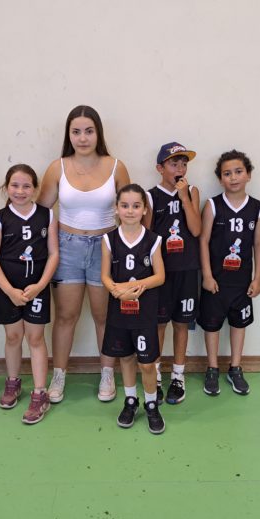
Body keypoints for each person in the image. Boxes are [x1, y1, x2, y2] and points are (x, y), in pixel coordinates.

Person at [38, 105, 130, 403]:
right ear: (69, 135)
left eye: (89, 131)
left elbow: (131, 209)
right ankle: (58, 375)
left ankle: (107, 373)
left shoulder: (116, 167)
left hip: (106, 248)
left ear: (98, 133)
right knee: (66, 316)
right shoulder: (57, 168)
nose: (82, 138)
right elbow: (39, 213)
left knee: (104, 316)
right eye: (76, 132)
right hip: (67, 248)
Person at [0, 164, 59, 424]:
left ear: (35, 189)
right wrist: (9, 290)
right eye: (15, 185)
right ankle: (13, 381)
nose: (20, 191)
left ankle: (40, 393)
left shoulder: (47, 215)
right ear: (6, 188)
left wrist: (41, 285)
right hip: (8, 289)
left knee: (36, 338)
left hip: (36, 288)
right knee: (13, 336)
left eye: (27, 186)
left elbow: (54, 253)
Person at [199, 150, 260, 396]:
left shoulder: (257, 208)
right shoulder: (212, 205)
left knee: (239, 324)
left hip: (242, 282)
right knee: (212, 326)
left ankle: (235, 367)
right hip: (216, 281)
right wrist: (207, 275)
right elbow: (203, 241)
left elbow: (259, 244)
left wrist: (258, 278)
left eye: (238, 172)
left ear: (248, 175)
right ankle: (212, 368)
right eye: (227, 173)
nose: (233, 177)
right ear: (220, 179)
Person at [101, 184, 166, 434]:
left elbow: (159, 276)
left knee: (147, 363)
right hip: (119, 310)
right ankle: (130, 400)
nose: (130, 211)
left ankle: (151, 404)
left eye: (136, 206)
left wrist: (133, 286)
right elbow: (105, 276)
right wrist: (116, 291)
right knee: (126, 358)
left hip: (144, 312)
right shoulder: (109, 239)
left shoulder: (153, 240)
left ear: (144, 209)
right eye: (125, 205)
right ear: (117, 208)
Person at [143, 142, 201, 405]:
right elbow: (146, 237)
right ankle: (155, 375)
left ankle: (178, 375)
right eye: (174, 164)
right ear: (160, 168)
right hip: (161, 272)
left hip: (187, 268)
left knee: (181, 323)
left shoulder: (192, 191)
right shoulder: (150, 196)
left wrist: (184, 197)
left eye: (184, 164)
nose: (180, 169)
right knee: (158, 324)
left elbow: (196, 230)